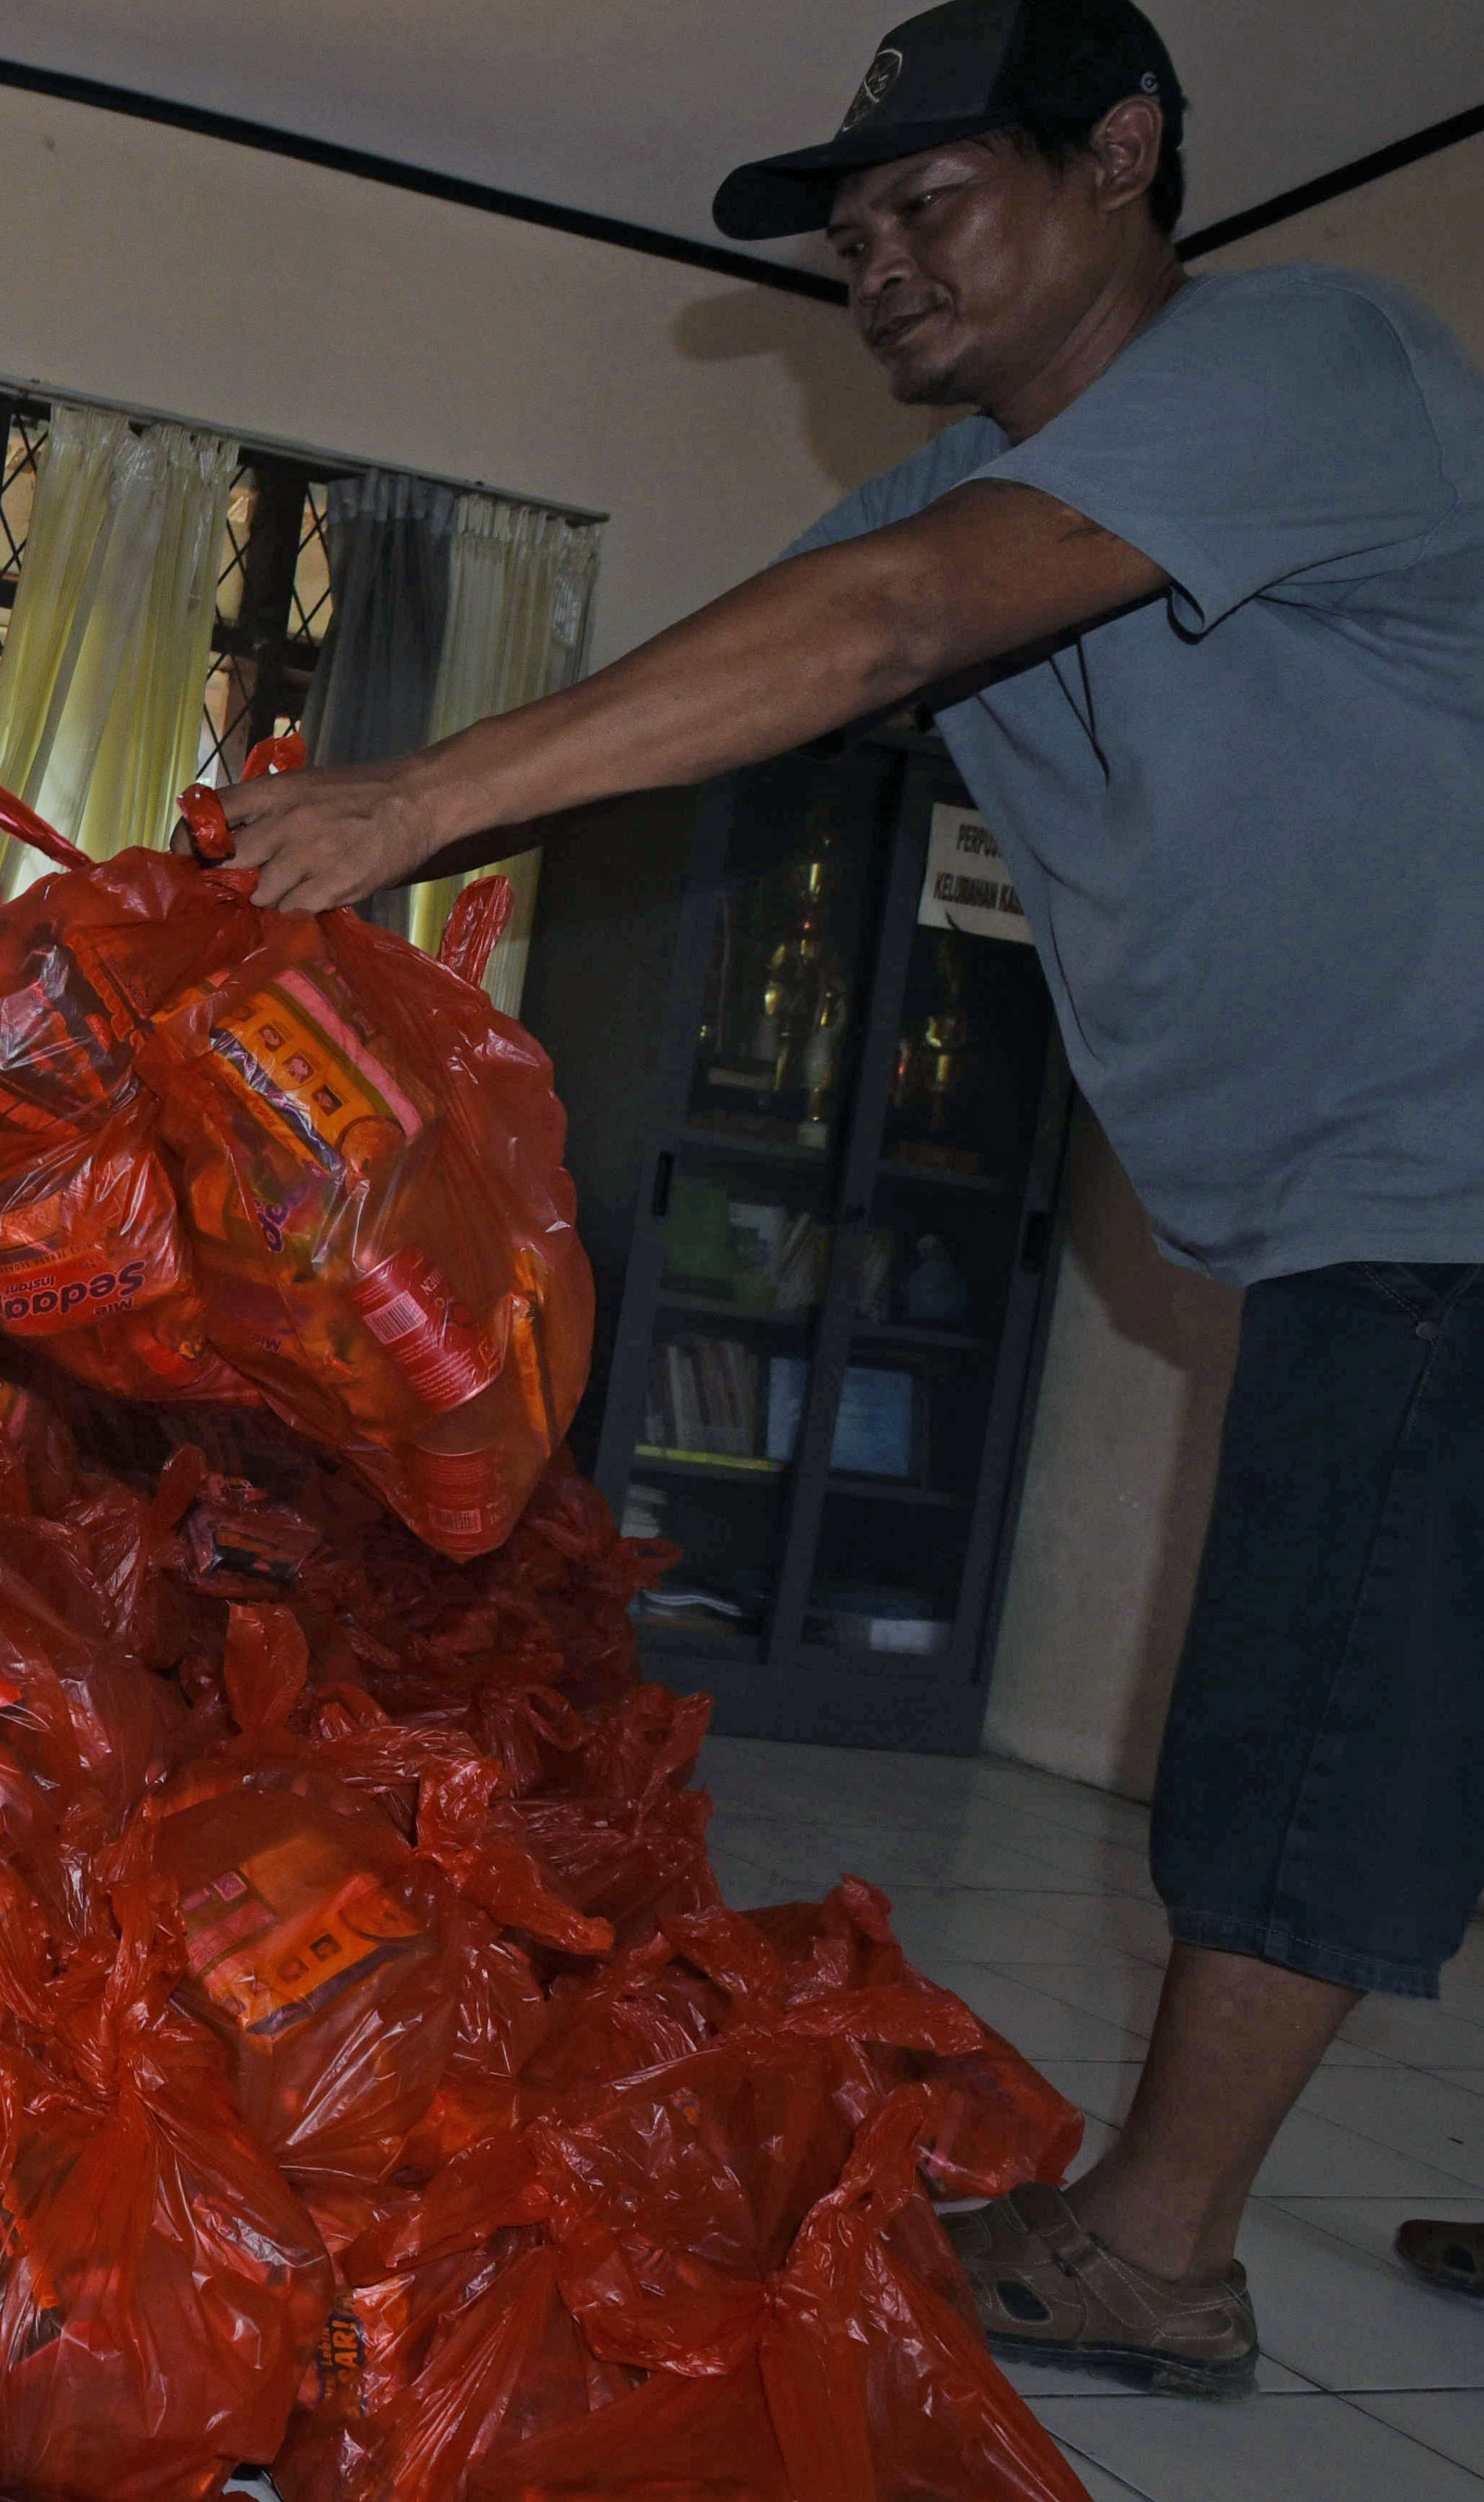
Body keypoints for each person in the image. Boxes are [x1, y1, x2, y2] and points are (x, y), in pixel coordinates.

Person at [203, 0, 1484, 2400]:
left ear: (1123, 158)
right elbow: (768, 658)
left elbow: (886, 639)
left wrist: (404, 807)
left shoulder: (1306, 354)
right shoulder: (938, 500)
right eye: (852, 236)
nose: (875, 267)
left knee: (1318, 1707)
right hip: (1373, 1180)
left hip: (1445, 1186)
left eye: (928, 207)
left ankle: (1153, 2258)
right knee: (1422, 1699)